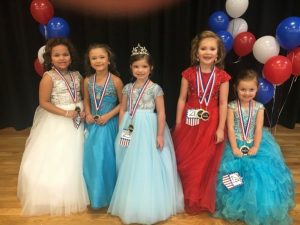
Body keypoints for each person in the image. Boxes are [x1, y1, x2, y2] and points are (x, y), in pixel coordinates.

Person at [108, 44, 184, 224]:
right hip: (130, 126)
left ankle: (151, 202)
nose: (140, 70)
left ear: (151, 68)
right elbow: (122, 109)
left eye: (144, 66)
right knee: (129, 162)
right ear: (131, 68)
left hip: (149, 127)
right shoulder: (127, 87)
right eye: (136, 67)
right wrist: (121, 129)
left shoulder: (155, 88)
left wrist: (159, 135)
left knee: (148, 162)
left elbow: (162, 113)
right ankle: (131, 200)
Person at [17, 38, 89, 216]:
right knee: (59, 156)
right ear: (50, 58)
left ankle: (82, 188)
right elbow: (43, 103)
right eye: (57, 55)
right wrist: (66, 114)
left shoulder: (77, 75)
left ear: (71, 57)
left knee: (78, 154)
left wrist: (83, 111)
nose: (62, 58)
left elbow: (83, 96)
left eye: (65, 54)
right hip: (59, 118)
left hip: (78, 116)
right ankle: (58, 193)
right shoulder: (48, 77)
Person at [215, 69, 295, 225]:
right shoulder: (231, 107)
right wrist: (235, 148)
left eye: (251, 89)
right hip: (235, 142)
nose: (247, 93)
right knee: (232, 171)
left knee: (260, 173)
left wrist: (256, 147)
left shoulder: (259, 108)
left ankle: (254, 206)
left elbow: (258, 128)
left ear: (257, 89)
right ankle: (236, 205)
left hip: (255, 142)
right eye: (243, 89)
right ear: (236, 89)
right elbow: (230, 128)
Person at [172, 30, 231, 214]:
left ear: (218, 53)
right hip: (189, 123)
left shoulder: (222, 76)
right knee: (185, 158)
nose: (207, 52)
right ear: (196, 53)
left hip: (211, 123)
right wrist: (178, 123)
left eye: (212, 49)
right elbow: (182, 99)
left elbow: (223, 103)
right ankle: (184, 194)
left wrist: (221, 128)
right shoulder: (188, 74)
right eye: (203, 48)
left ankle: (198, 196)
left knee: (205, 161)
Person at [83, 43, 123, 209]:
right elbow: (86, 99)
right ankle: (94, 194)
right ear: (90, 62)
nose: (98, 60)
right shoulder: (87, 81)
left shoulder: (116, 81)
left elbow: (123, 104)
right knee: (91, 159)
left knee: (105, 159)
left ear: (108, 60)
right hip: (93, 124)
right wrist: (87, 113)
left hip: (109, 124)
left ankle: (108, 194)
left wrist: (108, 116)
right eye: (94, 58)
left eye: (101, 57)